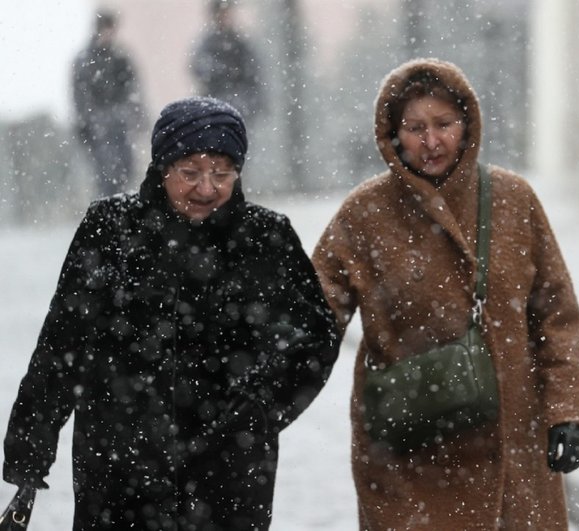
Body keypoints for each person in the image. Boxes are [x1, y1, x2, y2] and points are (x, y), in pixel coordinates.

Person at [3, 96, 340, 530]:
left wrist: (258, 409)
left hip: (228, 471)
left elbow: (315, 337)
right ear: (162, 168)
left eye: (222, 173)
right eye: (190, 172)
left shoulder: (264, 237)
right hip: (117, 467)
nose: (206, 188)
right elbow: (62, 343)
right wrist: (31, 450)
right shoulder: (110, 230)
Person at [312, 58, 579, 529]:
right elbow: (313, 315)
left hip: (512, 441)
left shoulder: (513, 200)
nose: (431, 141)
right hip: (408, 449)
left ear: (468, 125)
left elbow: (556, 316)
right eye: (415, 127)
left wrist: (567, 412)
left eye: (444, 124)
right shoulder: (365, 215)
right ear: (391, 134)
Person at [72, 9, 144, 197]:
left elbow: (133, 89)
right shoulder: (85, 61)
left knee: (126, 168)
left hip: (119, 122)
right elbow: (80, 96)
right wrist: (86, 123)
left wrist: (137, 116)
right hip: (98, 125)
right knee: (106, 174)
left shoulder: (121, 57)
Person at [190, 0, 264, 122]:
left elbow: (253, 74)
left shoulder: (241, 44)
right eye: (221, 14)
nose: (224, 18)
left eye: (226, 13)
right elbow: (200, 69)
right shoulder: (207, 45)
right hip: (214, 108)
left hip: (241, 108)